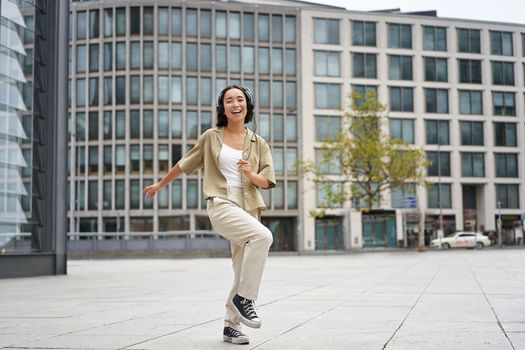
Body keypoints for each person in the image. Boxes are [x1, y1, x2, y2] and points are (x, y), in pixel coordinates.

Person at [143, 85, 275, 345]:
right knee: (264, 237)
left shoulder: (258, 143)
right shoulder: (211, 137)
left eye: (240, 99)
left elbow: (267, 181)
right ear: (222, 108)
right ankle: (245, 299)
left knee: (241, 270)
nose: (235, 104)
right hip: (221, 203)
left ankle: (231, 326)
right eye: (229, 100)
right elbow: (185, 163)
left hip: (248, 208)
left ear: (247, 105)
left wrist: (249, 173)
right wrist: (160, 184)